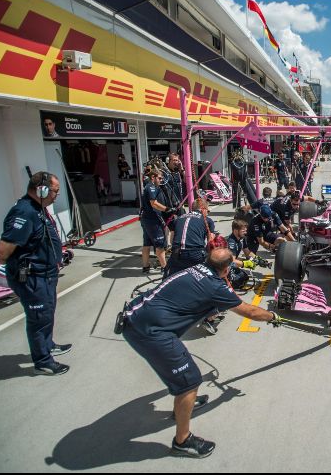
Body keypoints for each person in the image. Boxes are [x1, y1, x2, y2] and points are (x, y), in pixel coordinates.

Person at [121, 248, 281, 458]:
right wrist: (272, 316)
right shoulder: (216, 286)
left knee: (181, 378)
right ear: (226, 269)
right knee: (189, 381)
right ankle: (183, 441)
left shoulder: (195, 269)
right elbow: (249, 311)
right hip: (152, 332)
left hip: (134, 316)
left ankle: (183, 403)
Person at [0, 171, 70, 375]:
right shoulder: (24, 212)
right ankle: (43, 361)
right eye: (55, 191)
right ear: (42, 190)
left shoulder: (38, 208)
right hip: (33, 278)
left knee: (46, 314)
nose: (57, 195)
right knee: (39, 318)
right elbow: (2, 251)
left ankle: (48, 345)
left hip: (45, 276)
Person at [165, 198, 216, 276]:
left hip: (177, 253)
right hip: (196, 253)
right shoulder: (207, 220)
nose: (208, 213)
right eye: (208, 211)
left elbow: (172, 240)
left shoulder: (179, 219)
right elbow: (211, 242)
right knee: (204, 276)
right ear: (203, 209)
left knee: (170, 276)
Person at [140, 169, 169, 274]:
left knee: (147, 244)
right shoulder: (151, 187)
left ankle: (145, 266)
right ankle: (164, 268)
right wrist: (167, 209)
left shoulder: (149, 187)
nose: (161, 180)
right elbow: (154, 203)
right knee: (160, 244)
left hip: (146, 219)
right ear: (153, 178)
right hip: (152, 220)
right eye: (159, 178)